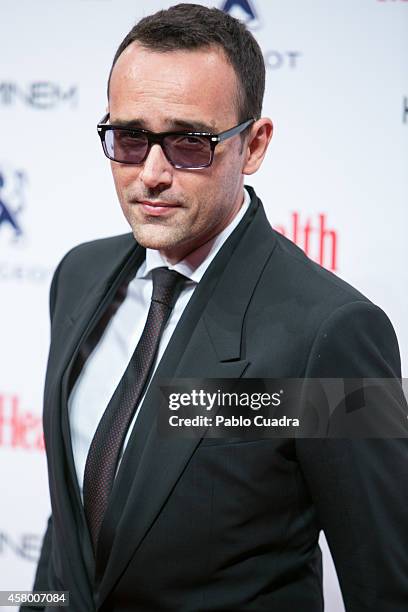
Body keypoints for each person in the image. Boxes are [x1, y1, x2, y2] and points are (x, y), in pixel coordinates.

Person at [24, 4, 408, 611]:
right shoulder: (79, 276)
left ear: (253, 145)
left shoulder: (333, 334)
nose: (151, 174)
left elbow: (389, 584)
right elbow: (72, 518)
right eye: (130, 137)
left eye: (189, 143)